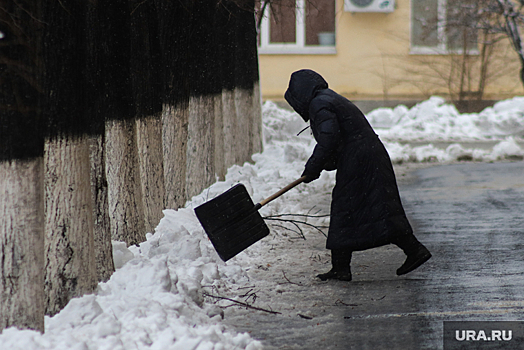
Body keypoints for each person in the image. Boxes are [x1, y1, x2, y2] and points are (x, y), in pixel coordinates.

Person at [284, 69, 431, 281]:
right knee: (370, 207)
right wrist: (322, 164)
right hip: (366, 155)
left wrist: (313, 167)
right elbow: (339, 137)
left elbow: (329, 139)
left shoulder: (319, 103)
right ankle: (342, 266)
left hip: (361, 158)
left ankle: (411, 251)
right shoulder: (328, 98)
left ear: (300, 95)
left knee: (353, 206)